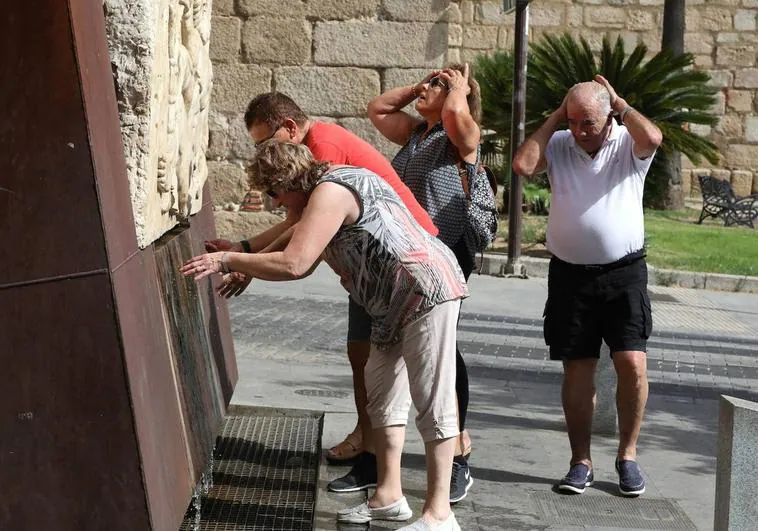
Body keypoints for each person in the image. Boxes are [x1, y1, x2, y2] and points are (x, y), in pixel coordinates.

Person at [182, 140, 468, 531]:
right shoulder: (319, 197)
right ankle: (388, 497)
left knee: (432, 397)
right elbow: (296, 242)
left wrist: (229, 258)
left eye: (273, 193)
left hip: (424, 291)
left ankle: (439, 515)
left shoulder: (333, 191)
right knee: (382, 396)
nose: (274, 203)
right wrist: (247, 262)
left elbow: (296, 262)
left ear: (286, 181)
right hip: (388, 305)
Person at [207, 92, 439, 495]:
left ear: (291, 128)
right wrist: (245, 252)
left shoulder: (324, 149)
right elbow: (296, 222)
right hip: (372, 267)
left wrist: (242, 261)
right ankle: (374, 460)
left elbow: (301, 245)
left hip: (404, 261)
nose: (266, 151)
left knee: (429, 368)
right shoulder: (304, 158)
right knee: (362, 354)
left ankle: (453, 457)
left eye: (266, 142)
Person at [511, 75, 663, 497]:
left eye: (588, 123)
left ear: (610, 117)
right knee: (578, 368)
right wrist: (557, 117)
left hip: (623, 273)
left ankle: (627, 457)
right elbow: (522, 165)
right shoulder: (559, 142)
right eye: (573, 121)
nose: (579, 131)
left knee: (632, 363)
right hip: (570, 276)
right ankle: (581, 461)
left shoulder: (627, 144)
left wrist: (621, 104)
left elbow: (653, 135)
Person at [368, 62, 494, 502]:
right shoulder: (419, 134)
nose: (429, 89)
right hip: (408, 253)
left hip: (447, 250)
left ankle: (458, 451)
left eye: (438, 85)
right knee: (409, 344)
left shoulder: (462, 137)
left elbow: (461, 120)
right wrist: (422, 88)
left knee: (443, 348)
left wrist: (457, 90)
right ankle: (403, 453)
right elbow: (378, 109)